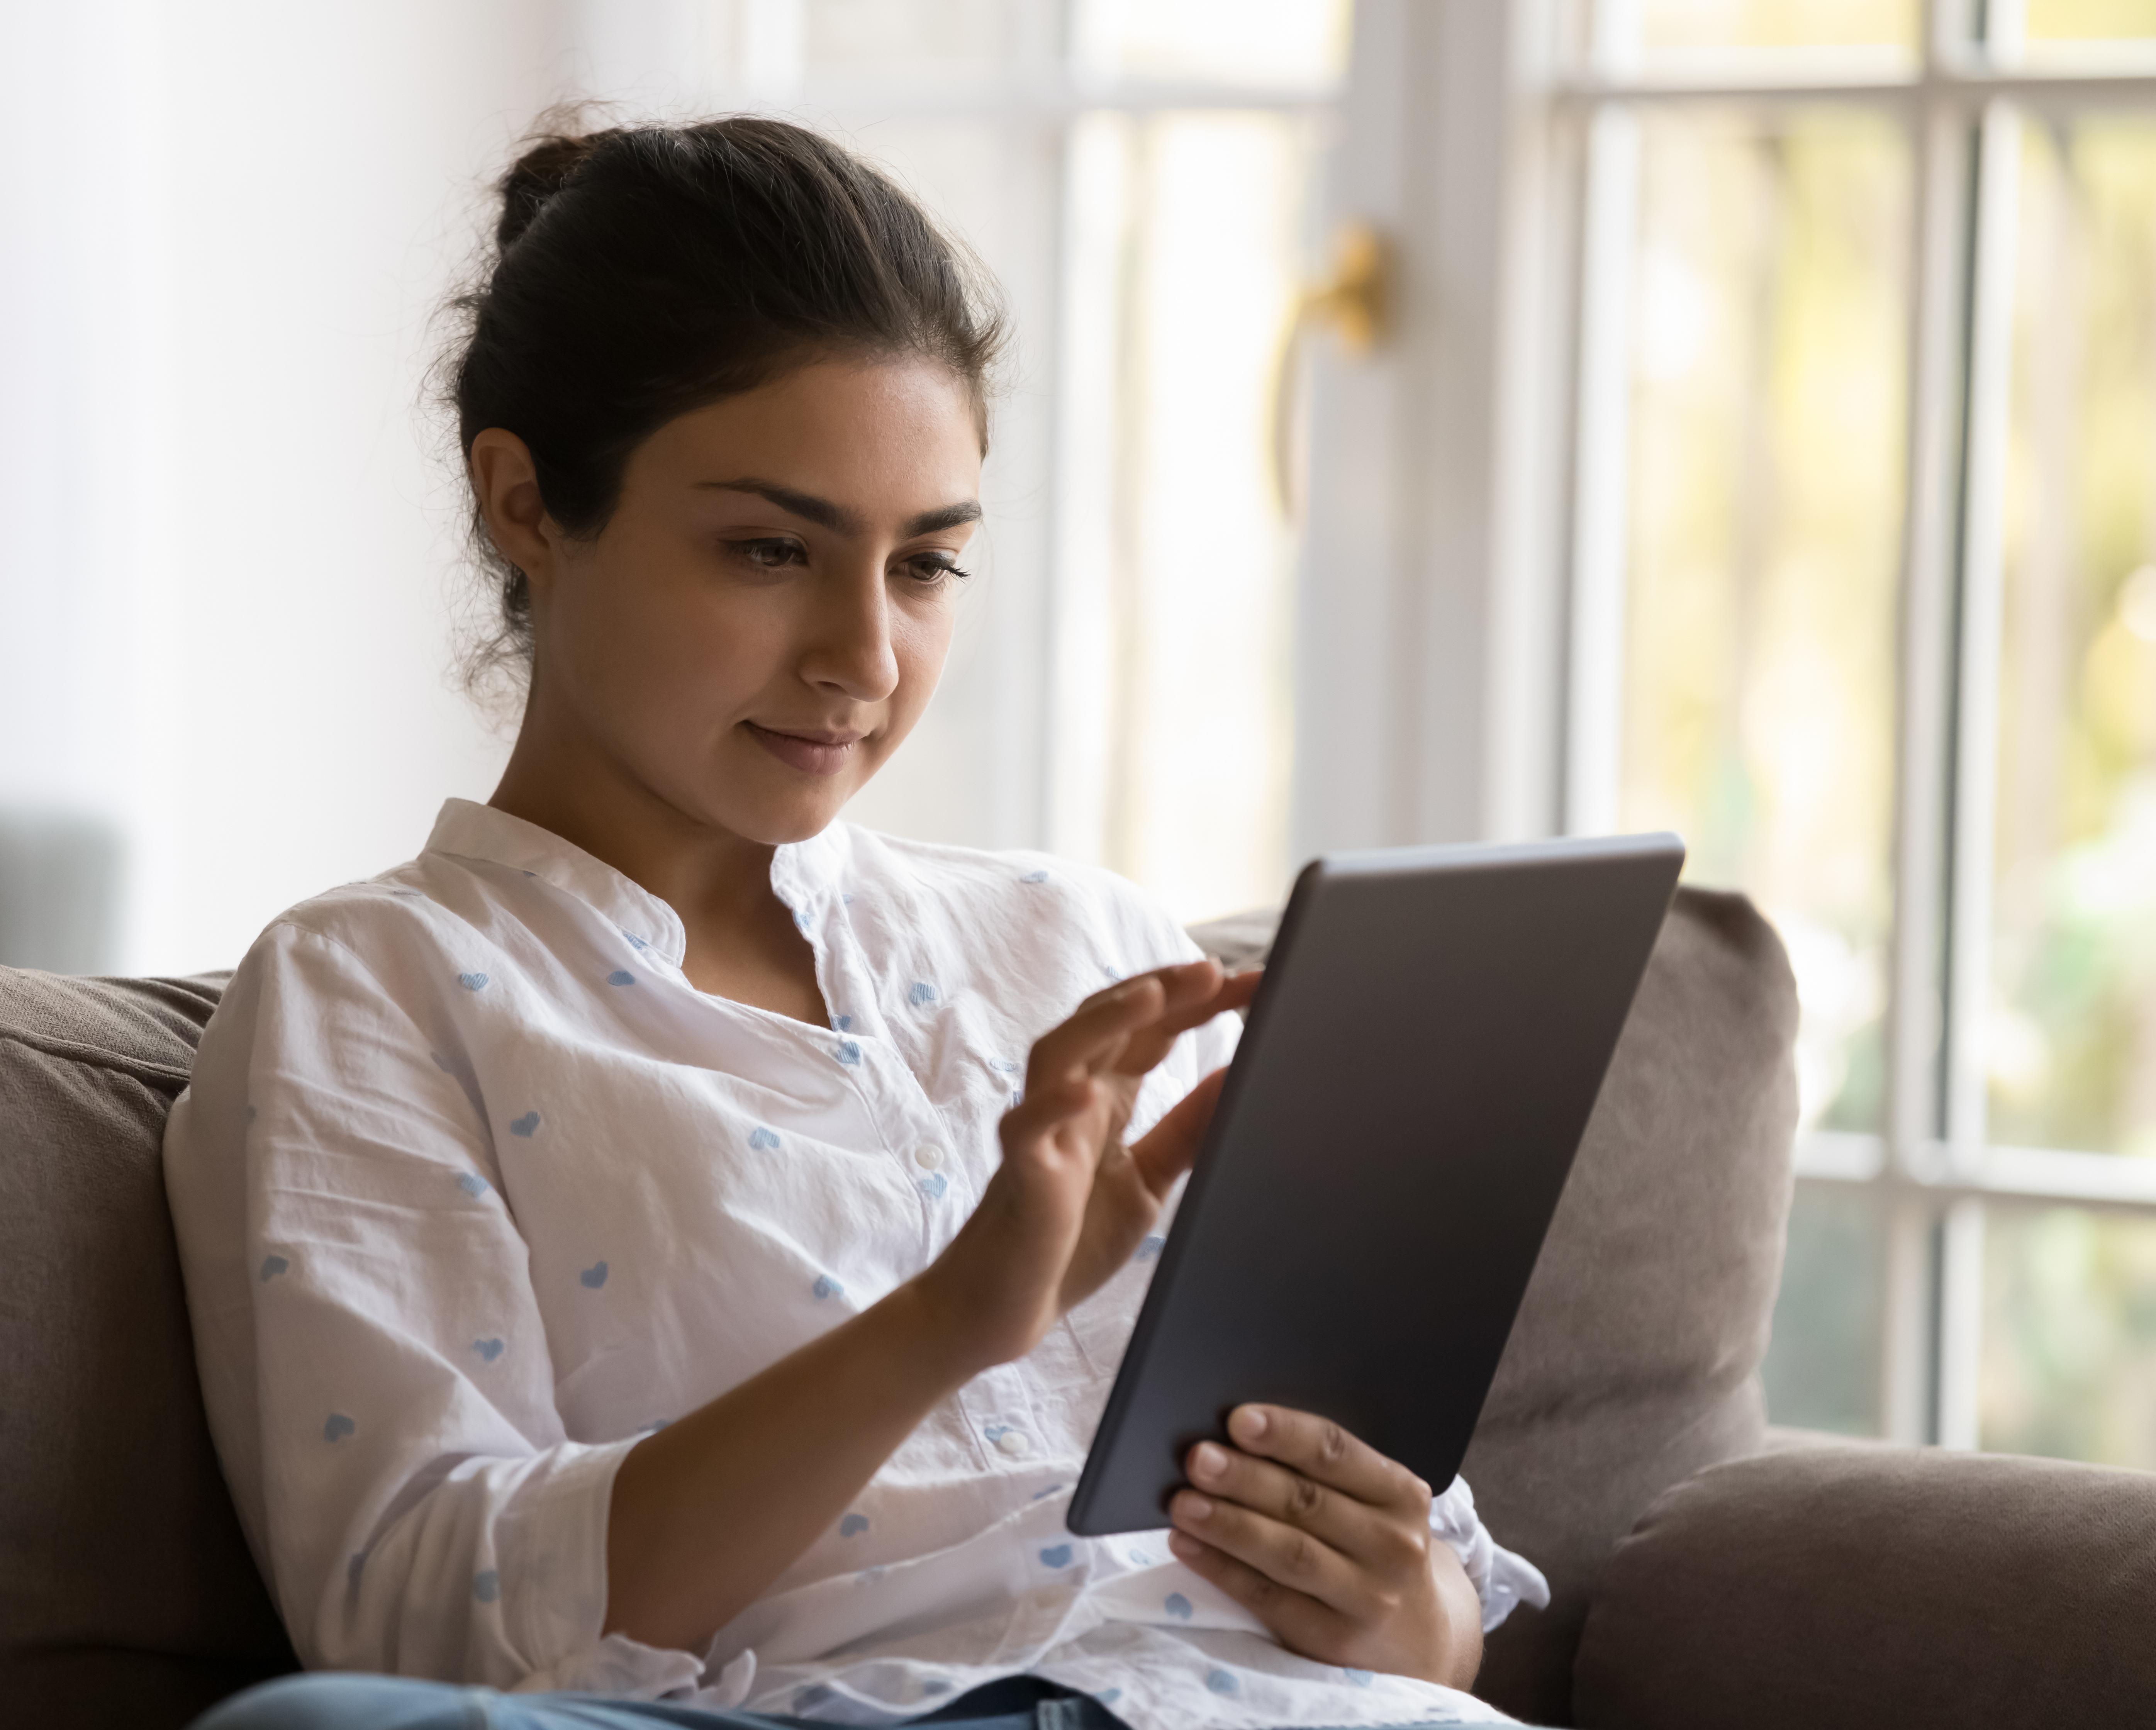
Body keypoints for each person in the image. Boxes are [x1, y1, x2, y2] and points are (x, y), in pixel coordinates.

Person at [165, 115, 1547, 1730]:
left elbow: (1431, 1597)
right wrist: (953, 1319)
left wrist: (1418, 1611)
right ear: (526, 503)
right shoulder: (378, 993)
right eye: (770, 550)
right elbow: (428, 1627)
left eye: (926, 565)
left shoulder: (1085, 941)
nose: (864, 657)